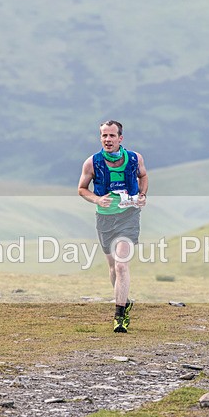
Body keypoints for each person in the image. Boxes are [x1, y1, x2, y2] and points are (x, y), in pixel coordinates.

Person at [78, 120, 149, 333]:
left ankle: (119, 316)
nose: (107, 140)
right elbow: (82, 189)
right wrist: (97, 200)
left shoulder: (135, 159)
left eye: (111, 136)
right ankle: (124, 301)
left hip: (129, 216)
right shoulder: (92, 163)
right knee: (112, 267)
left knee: (121, 265)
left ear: (120, 138)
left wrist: (143, 195)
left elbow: (143, 176)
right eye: (104, 136)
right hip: (105, 219)